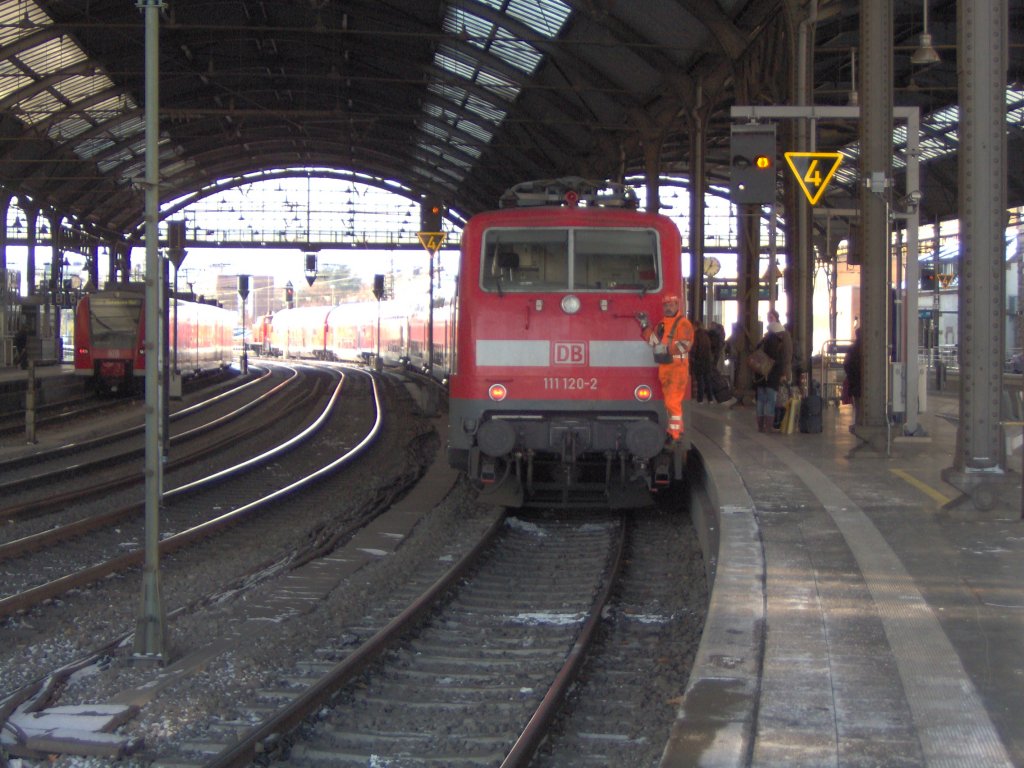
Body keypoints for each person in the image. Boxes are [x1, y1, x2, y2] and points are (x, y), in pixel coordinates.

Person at [636, 295, 694, 442]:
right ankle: (674, 431)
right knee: (670, 401)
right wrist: (644, 325)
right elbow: (653, 341)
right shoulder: (662, 324)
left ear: (677, 306)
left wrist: (667, 349)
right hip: (666, 368)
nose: (668, 308)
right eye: (666, 305)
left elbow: (685, 344)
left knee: (672, 402)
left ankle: (675, 434)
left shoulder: (684, 324)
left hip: (678, 369)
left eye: (671, 305)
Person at [753, 310, 788, 432]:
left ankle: (760, 426)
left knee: (761, 401)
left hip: (760, 375)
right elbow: (779, 360)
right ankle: (768, 427)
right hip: (771, 376)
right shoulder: (777, 342)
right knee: (770, 401)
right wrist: (782, 373)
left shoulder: (763, 340)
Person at [690, 320, 715, 402]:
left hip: (699, 361)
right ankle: (710, 398)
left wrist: (692, 357)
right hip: (707, 360)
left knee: (700, 380)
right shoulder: (706, 335)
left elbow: (694, 348)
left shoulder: (696, 336)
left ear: (696, 326)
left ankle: (700, 399)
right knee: (707, 380)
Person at [843, 327, 862, 423]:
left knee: (857, 405)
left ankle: (858, 421)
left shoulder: (852, 348)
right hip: (863, 381)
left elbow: (846, 363)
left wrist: (850, 375)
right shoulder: (869, 348)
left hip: (855, 381)